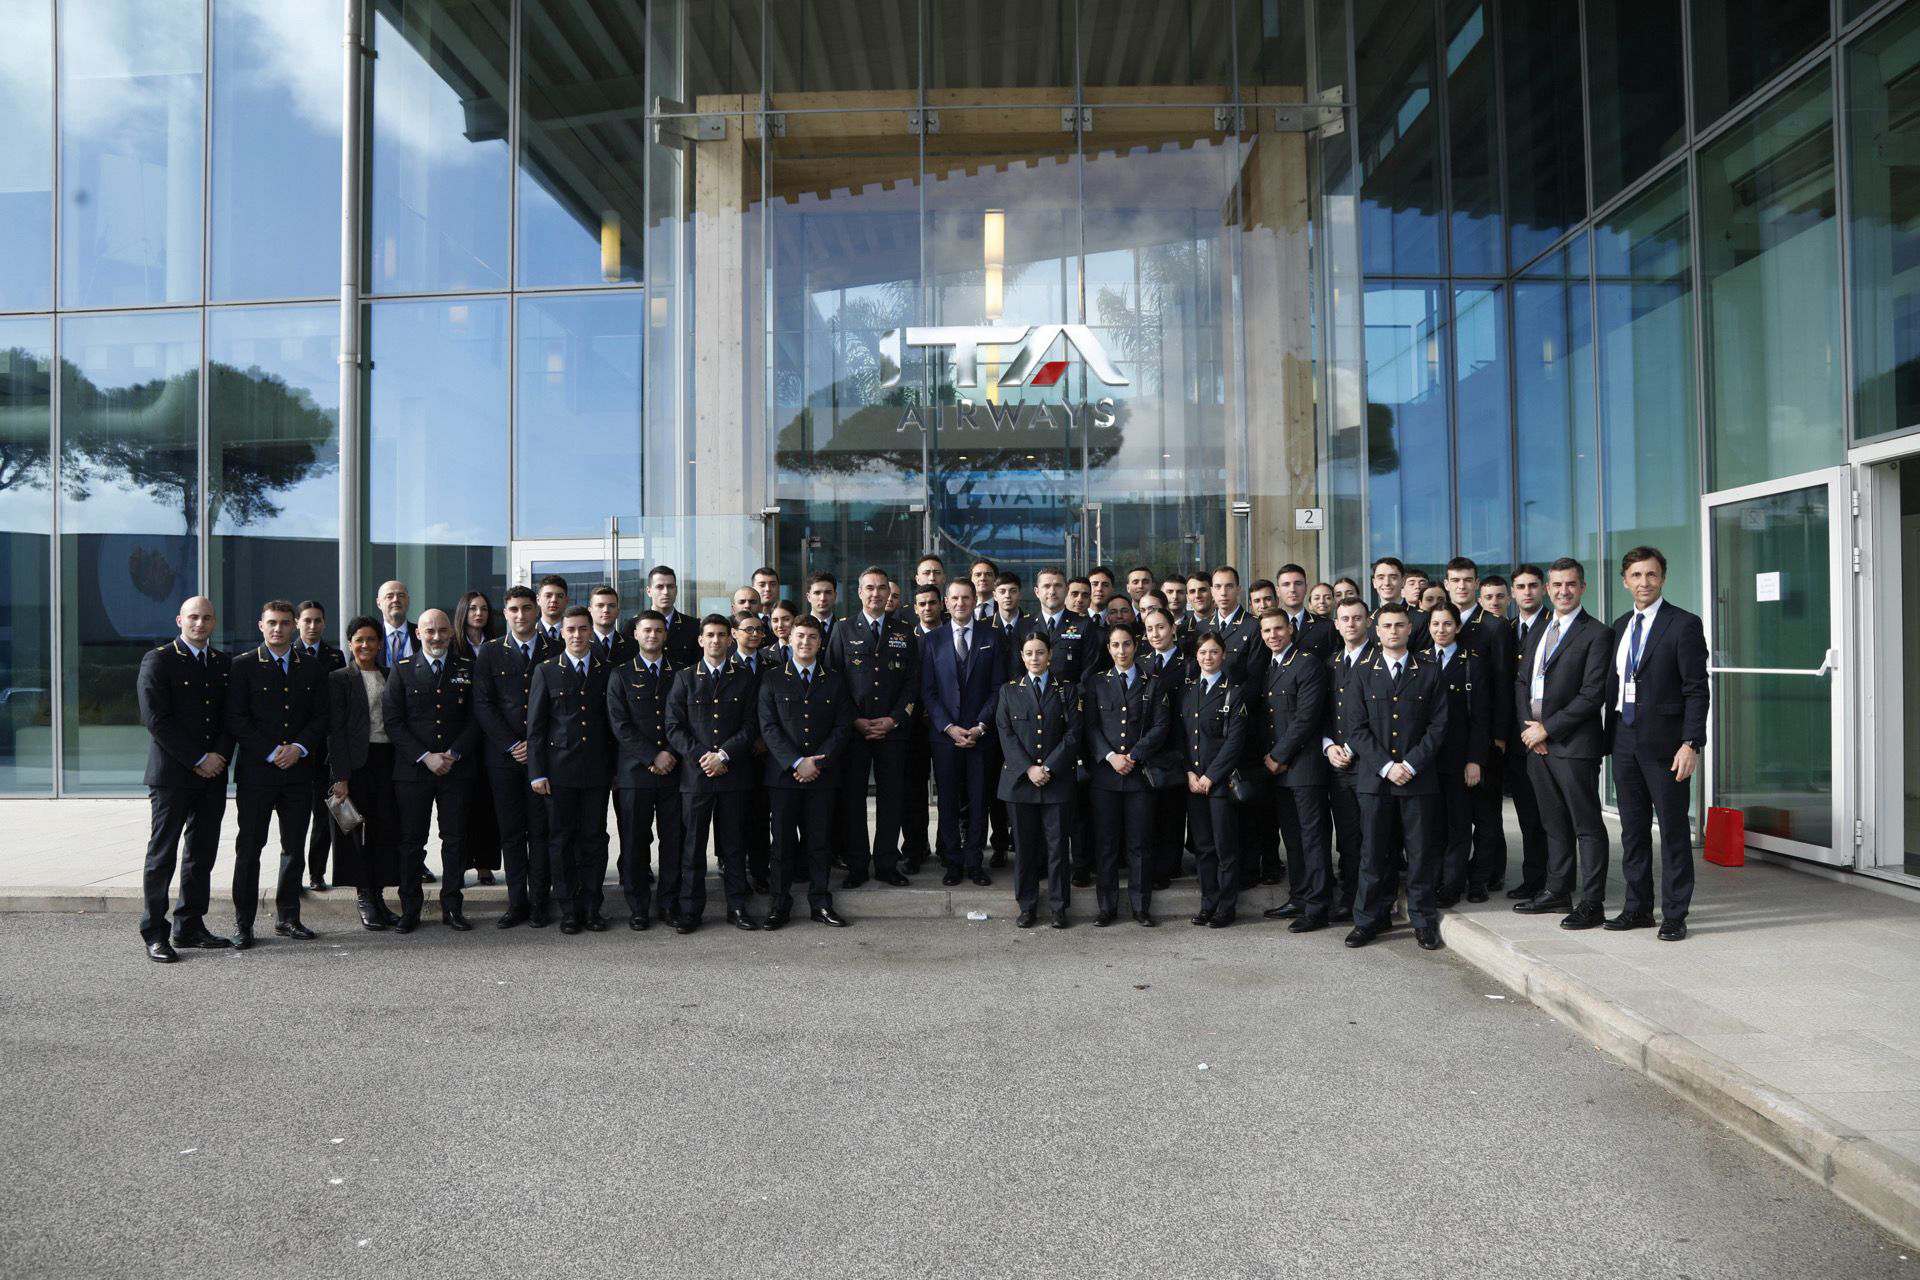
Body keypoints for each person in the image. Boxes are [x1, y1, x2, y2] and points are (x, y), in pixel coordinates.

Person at [1604, 546, 1709, 942]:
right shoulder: (1619, 626)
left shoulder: (1683, 624)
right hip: (1624, 738)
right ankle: (1637, 908)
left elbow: (1697, 690)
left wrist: (1691, 743)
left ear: (1663, 578)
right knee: (1632, 830)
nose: (1643, 582)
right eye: (1636, 575)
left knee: (1673, 831)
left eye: (1651, 575)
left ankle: (1675, 914)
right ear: (1625, 581)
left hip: (1666, 745)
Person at [1511, 557, 1613, 930]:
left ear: (1583, 587)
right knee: (1553, 823)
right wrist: (1531, 730)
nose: (1563, 591)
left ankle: (1593, 901)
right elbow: (1522, 681)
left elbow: (1591, 695)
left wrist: (1547, 729)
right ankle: (1557, 890)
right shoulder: (1540, 628)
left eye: (1570, 584)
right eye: (1556, 585)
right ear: (1548, 589)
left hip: (1573, 746)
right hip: (1537, 743)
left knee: (1586, 825)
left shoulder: (1596, 633)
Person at [1342, 602, 1450, 952]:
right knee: (1372, 855)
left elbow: (1439, 726)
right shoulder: (1360, 672)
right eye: (1386, 625)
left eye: (1399, 625)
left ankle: (1422, 921)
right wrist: (1387, 767)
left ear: (1409, 629)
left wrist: (1411, 765)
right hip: (1375, 781)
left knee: (1420, 856)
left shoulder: (1430, 670)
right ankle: (1369, 919)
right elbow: (1355, 728)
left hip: (1418, 780)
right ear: (1376, 629)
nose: (1393, 631)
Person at [136, 596, 235, 962]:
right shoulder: (158, 660)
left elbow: (230, 717)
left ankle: (190, 925)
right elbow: (155, 718)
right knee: (163, 854)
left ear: (214, 622)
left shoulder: (223, 663)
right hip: (172, 775)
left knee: (201, 853)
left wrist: (218, 757)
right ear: (180, 619)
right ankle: (155, 932)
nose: (199, 623)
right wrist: (197, 759)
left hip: (213, 774)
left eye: (207, 618)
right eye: (193, 617)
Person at [224, 599, 328, 947]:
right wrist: (272, 752)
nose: (278, 629)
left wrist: (297, 748)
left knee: (293, 848)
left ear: (294, 625)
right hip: (257, 774)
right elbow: (236, 718)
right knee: (249, 848)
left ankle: (288, 917)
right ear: (261, 625)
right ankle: (244, 923)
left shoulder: (311, 668)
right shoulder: (242, 666)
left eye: (285, 623)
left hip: (298, 773)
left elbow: (320, 717)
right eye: (272, 623)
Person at [826, 566, 922, 889]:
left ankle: (885, 863)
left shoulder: (905, 632)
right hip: (854, 732)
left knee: (891, 799)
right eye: (870, 587)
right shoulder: (842, 631)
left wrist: (894, 719)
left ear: (890, 594)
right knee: (853, 800)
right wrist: (854, 719)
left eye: (882, 588)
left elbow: (912, 683)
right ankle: (856, 864)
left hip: (893, 732)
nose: (876, 593)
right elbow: (833, 680)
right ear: (859, 592)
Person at [383, 608, 478, 933]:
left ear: (451, 633)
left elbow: (476, 718)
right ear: (418, 634)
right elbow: (393, 722)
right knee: (411, 842)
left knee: (454, 840)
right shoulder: (402, 669)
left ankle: (452, 907)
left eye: (441, 630)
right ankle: (410, 909)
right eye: (429, 631)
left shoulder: (467, 667)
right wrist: (426, 756)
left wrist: (451, 754)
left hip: (456, 768)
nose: (436, 637)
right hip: (413, 772)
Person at [666, 615, 763, 932]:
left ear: (730, 639)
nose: (716, 640)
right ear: (700, 640)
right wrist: (703, 757)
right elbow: (674, 727)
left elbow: (751, 725)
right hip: (696, 778)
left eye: (722, 635)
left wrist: (723, 755)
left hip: (733, 774)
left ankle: (737, 907)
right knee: (693, 847)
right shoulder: (684, 678)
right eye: (710, 635)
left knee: (734, 846)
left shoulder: (744, 677)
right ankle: (691, 910)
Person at [759, 616, 854, 928]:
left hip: (822, 775)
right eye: (800, 636)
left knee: (819, 841)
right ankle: (779, 904)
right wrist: (796, 762)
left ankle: (820, 902)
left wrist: (817, 762)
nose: (805, 642)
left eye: (812, 637)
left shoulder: (835, 679)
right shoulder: (772, 678)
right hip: (783, 776)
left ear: (820, 641)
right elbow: (769, 727)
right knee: (782, 843)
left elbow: (842, 726)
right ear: (790, 638)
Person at [528, 607, 615, 935]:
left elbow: (613, 726)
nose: (577, 635)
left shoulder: (607, 671)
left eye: (583, 629)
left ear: (592, 631)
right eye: (571, 630)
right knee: (561, 839)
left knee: (594, 838)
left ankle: (592, 906)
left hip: (596, 771)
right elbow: (536, 727)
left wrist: (616, 770)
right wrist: (537, 772)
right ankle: (568, 907)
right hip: (559, 772)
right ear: (561, 633)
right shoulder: (547, 670)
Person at [471, 585, 554, 927]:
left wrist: (533, 747)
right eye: (514, 610)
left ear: (536, 610)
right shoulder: (490, 652)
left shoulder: (556, 648)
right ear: (505, 614)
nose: (521, 615)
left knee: (541, 831)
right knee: (511, 832)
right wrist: (511, 744)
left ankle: (540, 902)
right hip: (503, 758)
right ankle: (516, 901)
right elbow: (483, 704)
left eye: (526, 608)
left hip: (543, 758)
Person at [1252, 610, 1334, 932]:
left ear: (1290, 629)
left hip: (1304, 766)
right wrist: (1271, 758)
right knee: (1293, 838)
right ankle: (1299, 896)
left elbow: (1306, 717)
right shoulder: (1270, 668)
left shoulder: (1308, 664)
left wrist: (1278, 755)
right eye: (1267, 630)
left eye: (1278, 629)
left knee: (1313, 838)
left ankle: (1317, 906)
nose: (1273, 635)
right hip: (1279, 769)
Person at [995, 632, 1081, 928]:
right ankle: (1027, 906)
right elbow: (1005, 734)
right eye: (1029, 653)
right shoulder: (1009, 691)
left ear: (1050, 656)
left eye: (1040, 652)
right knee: (1025, 848)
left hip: (1057, 782)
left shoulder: (1066, 691)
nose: (1035, 658)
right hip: (1020, 782)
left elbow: (1073, 734)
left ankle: (1059, 907)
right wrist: (1029, 769)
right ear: (1022, 656)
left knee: (1058, 849)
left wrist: (1050, 768)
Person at [1084, 624, 1168, 927]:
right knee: (1106, 844)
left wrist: (1133, 755)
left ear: (1136, 647)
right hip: (1106, 776)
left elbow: (1161, 725)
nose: (1122, 651)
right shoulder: (1096, 683)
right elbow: (1090, 727)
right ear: (1109, 649)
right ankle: (1106, 907)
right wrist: (1111, 756)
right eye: (1116, 645)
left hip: (1139, 775)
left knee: (1139, 844)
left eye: (1127, 645)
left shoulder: (1153, 684)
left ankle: (1140, 906)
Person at [922, 579, 1004, 887]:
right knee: (947, 802)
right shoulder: (933, 640)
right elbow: (928, 692)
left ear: (974, 600)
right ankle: (952, 861)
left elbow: (998, 687)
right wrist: (949, 727)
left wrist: (980, 726)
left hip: (980, 735)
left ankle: (974, 862)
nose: (960, 603)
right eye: (954, 598)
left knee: (979, 799)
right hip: (945, 736)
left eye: (966, 597)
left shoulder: (992, 637)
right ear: (946, 601)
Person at [326, 615, 402, 930]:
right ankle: (364, 896)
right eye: (359, 639)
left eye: (372, 639)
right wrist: (340, 776)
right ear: (350, 643)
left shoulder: (391, 674)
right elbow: (335, 731)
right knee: (355, 831)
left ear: (380, 643)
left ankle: (380, 895)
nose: (366, 645)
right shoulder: (339, 678)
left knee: (385, 831)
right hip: (356, 764)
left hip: (388, 760)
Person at [608, 610, 682, 928]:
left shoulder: (681, 672)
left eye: (658, 630)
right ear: (635, 635)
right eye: (646, 630)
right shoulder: (620, 674)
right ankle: (638, 906)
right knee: (636, 843)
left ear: (666, 635)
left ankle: (668, 903)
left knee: (673, 841)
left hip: (675, 770)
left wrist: (670, 753)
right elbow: (620, 725)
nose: (652, 635)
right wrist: (653, 756)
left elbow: (688, 720)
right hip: (635, 773)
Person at [1446, 558, 1514, 896]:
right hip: (1449, 737)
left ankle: (1485, 876)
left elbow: (1503, 684)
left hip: (1486, 734)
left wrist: (1500, 737)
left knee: (1487, 815)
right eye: (1455, 580)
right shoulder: (1440, 621)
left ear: (1476, 584)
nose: (1461, 586)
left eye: (1467, 580)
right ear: (1446, 584)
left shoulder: (1495, 625)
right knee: (1456, 814)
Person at [1423, 602, 1492, 906]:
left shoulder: (1471, 663)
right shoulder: (1418, 661)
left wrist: (1474, 759)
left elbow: (1480, 717)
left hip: (1458, 757)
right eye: (1436, 624)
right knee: (1431, 825)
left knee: (1459, 824)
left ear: (1458, 627)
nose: (1441, 630)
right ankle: (1434, 881)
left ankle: (1452, 886)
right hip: (1425, 760)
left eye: (1447, 624)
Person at [1179, 631, 1247, 927]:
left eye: (1214, 652)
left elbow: (1234, 742)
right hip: (1194, 783)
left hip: (1218, 783)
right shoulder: (1189, 691)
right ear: (1196, 656)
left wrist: (1210, 776)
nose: (1208, 657)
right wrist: (1190, 773)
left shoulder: (1234, 692)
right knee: (1204, 848)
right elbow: (1181, 737)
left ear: (1223, 655)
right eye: (1203, 652)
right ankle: (1208, 903)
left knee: (1225, 848)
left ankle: (1226, 907)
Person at [1321, 598, 1375, 923]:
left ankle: (1372, 902)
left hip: (1369, 763)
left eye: (1357, 618)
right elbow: (1323, 713)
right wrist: (1328, 746)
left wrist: (1354, 748)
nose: (1351, 624)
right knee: (1348, 838)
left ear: (1368, 622)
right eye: (1345, 619)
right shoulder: (1330, 662)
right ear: (1337, 624)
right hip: (1337, 765)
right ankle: (1351, 898)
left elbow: (1381, 718)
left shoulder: (1380, 659)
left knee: (1374, 837)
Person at [293, 599, 347, 892]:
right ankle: (294, 874)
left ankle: (316, 873)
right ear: (298, 623)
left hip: (326, 751)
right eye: (307, 620)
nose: (312, 626)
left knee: (324, 816)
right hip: (299, 748)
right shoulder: (289, 654)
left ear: (324, 623)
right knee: (298, 817)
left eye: (317, 621)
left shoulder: (335, 656)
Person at [1504, 564, 1550, 899]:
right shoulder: (1506, 629)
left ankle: (1556, 879)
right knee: (1527, 816)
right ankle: (1534, 878)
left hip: (1549, 737)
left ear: (1543, 589)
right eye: (1521, 587)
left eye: (1533, 585)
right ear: (1513, 593)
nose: (1528, 592)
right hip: (1517, 740)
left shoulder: (1555, 626)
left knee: (1552, 815)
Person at [451, 589, 501, 888]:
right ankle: (459, 864)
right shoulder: (454, 646)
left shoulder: (496, 646)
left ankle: (485, 864)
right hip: (462, 734)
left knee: (488, 804)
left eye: (483, 609)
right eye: (472, 609)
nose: (479, 614)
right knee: (461, 805)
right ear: (463, 613)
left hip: (491, 738)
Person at [1140, 607, 1190, 889]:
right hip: (1147, 747)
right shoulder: (1140, 663)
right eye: (1150, 629)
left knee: (1172, 812)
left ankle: (1169, 867)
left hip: (1177, 746)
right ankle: (1151, 865)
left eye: (1161, 627)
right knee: (1149, 813)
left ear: (1173, 628)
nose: (1155, 634)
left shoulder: (1190, 663)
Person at [899, 583, 947, 872]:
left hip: (946, 725)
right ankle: (915, 848)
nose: (927, 608)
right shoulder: (905, 638)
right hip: (914, 725)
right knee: (913, 791)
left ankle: (946, 847)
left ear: (941, 604)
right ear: (914, 608)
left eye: (932, 602)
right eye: (922, 604)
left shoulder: (952, 635)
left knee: (949, 789)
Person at [730, 610, 774, 891]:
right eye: (749, 629)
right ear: (734, 633)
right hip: (734, 753)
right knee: (733, 818)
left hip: (767, 751)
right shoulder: (725, 663)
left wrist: (765, 739)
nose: (756, 634)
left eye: (759, 629)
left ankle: (760, 871)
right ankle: (731, 869)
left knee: (760, 815)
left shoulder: (773, 664)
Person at [1207, 566, 1258, 678]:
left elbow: (1255, 676)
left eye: (1229, 586)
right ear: (1212, 591)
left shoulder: (1254, 626)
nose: (1223, 592)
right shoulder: (1202, 627)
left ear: (1238, 589)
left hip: (1240, 694)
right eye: (1218, 587)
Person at [647, 566, 700, 666]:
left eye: (670, 586)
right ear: (649, 591)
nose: (666, 592)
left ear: (676, 590)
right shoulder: (634, 625)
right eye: (660, 587)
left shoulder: (692, 626)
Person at [374, 579, 418, 671]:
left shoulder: (422, 634)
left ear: (408, 601)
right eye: (389, 596)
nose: (396, 600)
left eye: (401, 596)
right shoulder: (371, 637)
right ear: (378, 603)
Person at [589, 585, 636, 666]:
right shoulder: (581, 643)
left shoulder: (633, 645)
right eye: (600, 605)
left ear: (618, 612)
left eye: (611, 606)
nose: (606, 610)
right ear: (590, 611)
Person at [536, 575, 570, 645]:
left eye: (560, 596)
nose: (554, 600)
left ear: (566, 600)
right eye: (548, 595)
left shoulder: (574, 634)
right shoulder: (529, 634)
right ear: (538, 600)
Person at [806, 571, 839, 640]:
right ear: (808, 597)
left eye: (828, 592)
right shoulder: (797, 629)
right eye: (817, 593)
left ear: (835, 596)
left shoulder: (846, 628)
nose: (823, 598)